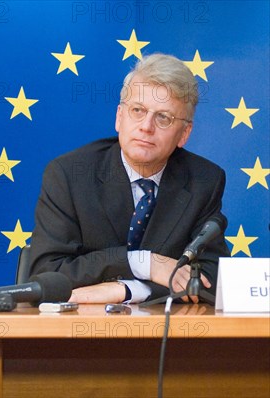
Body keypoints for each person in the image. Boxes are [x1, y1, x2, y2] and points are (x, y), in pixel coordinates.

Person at [29, 53, 230, 304]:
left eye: (163, 118)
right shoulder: (69, 175)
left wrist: (130, 291)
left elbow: (213, 279)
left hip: (168, 336)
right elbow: (44, 275)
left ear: (184, 133)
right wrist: (142, 263)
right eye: (138, 110)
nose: (147, 126)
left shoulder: (204, 181)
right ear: (119, 116)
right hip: (79, 334)